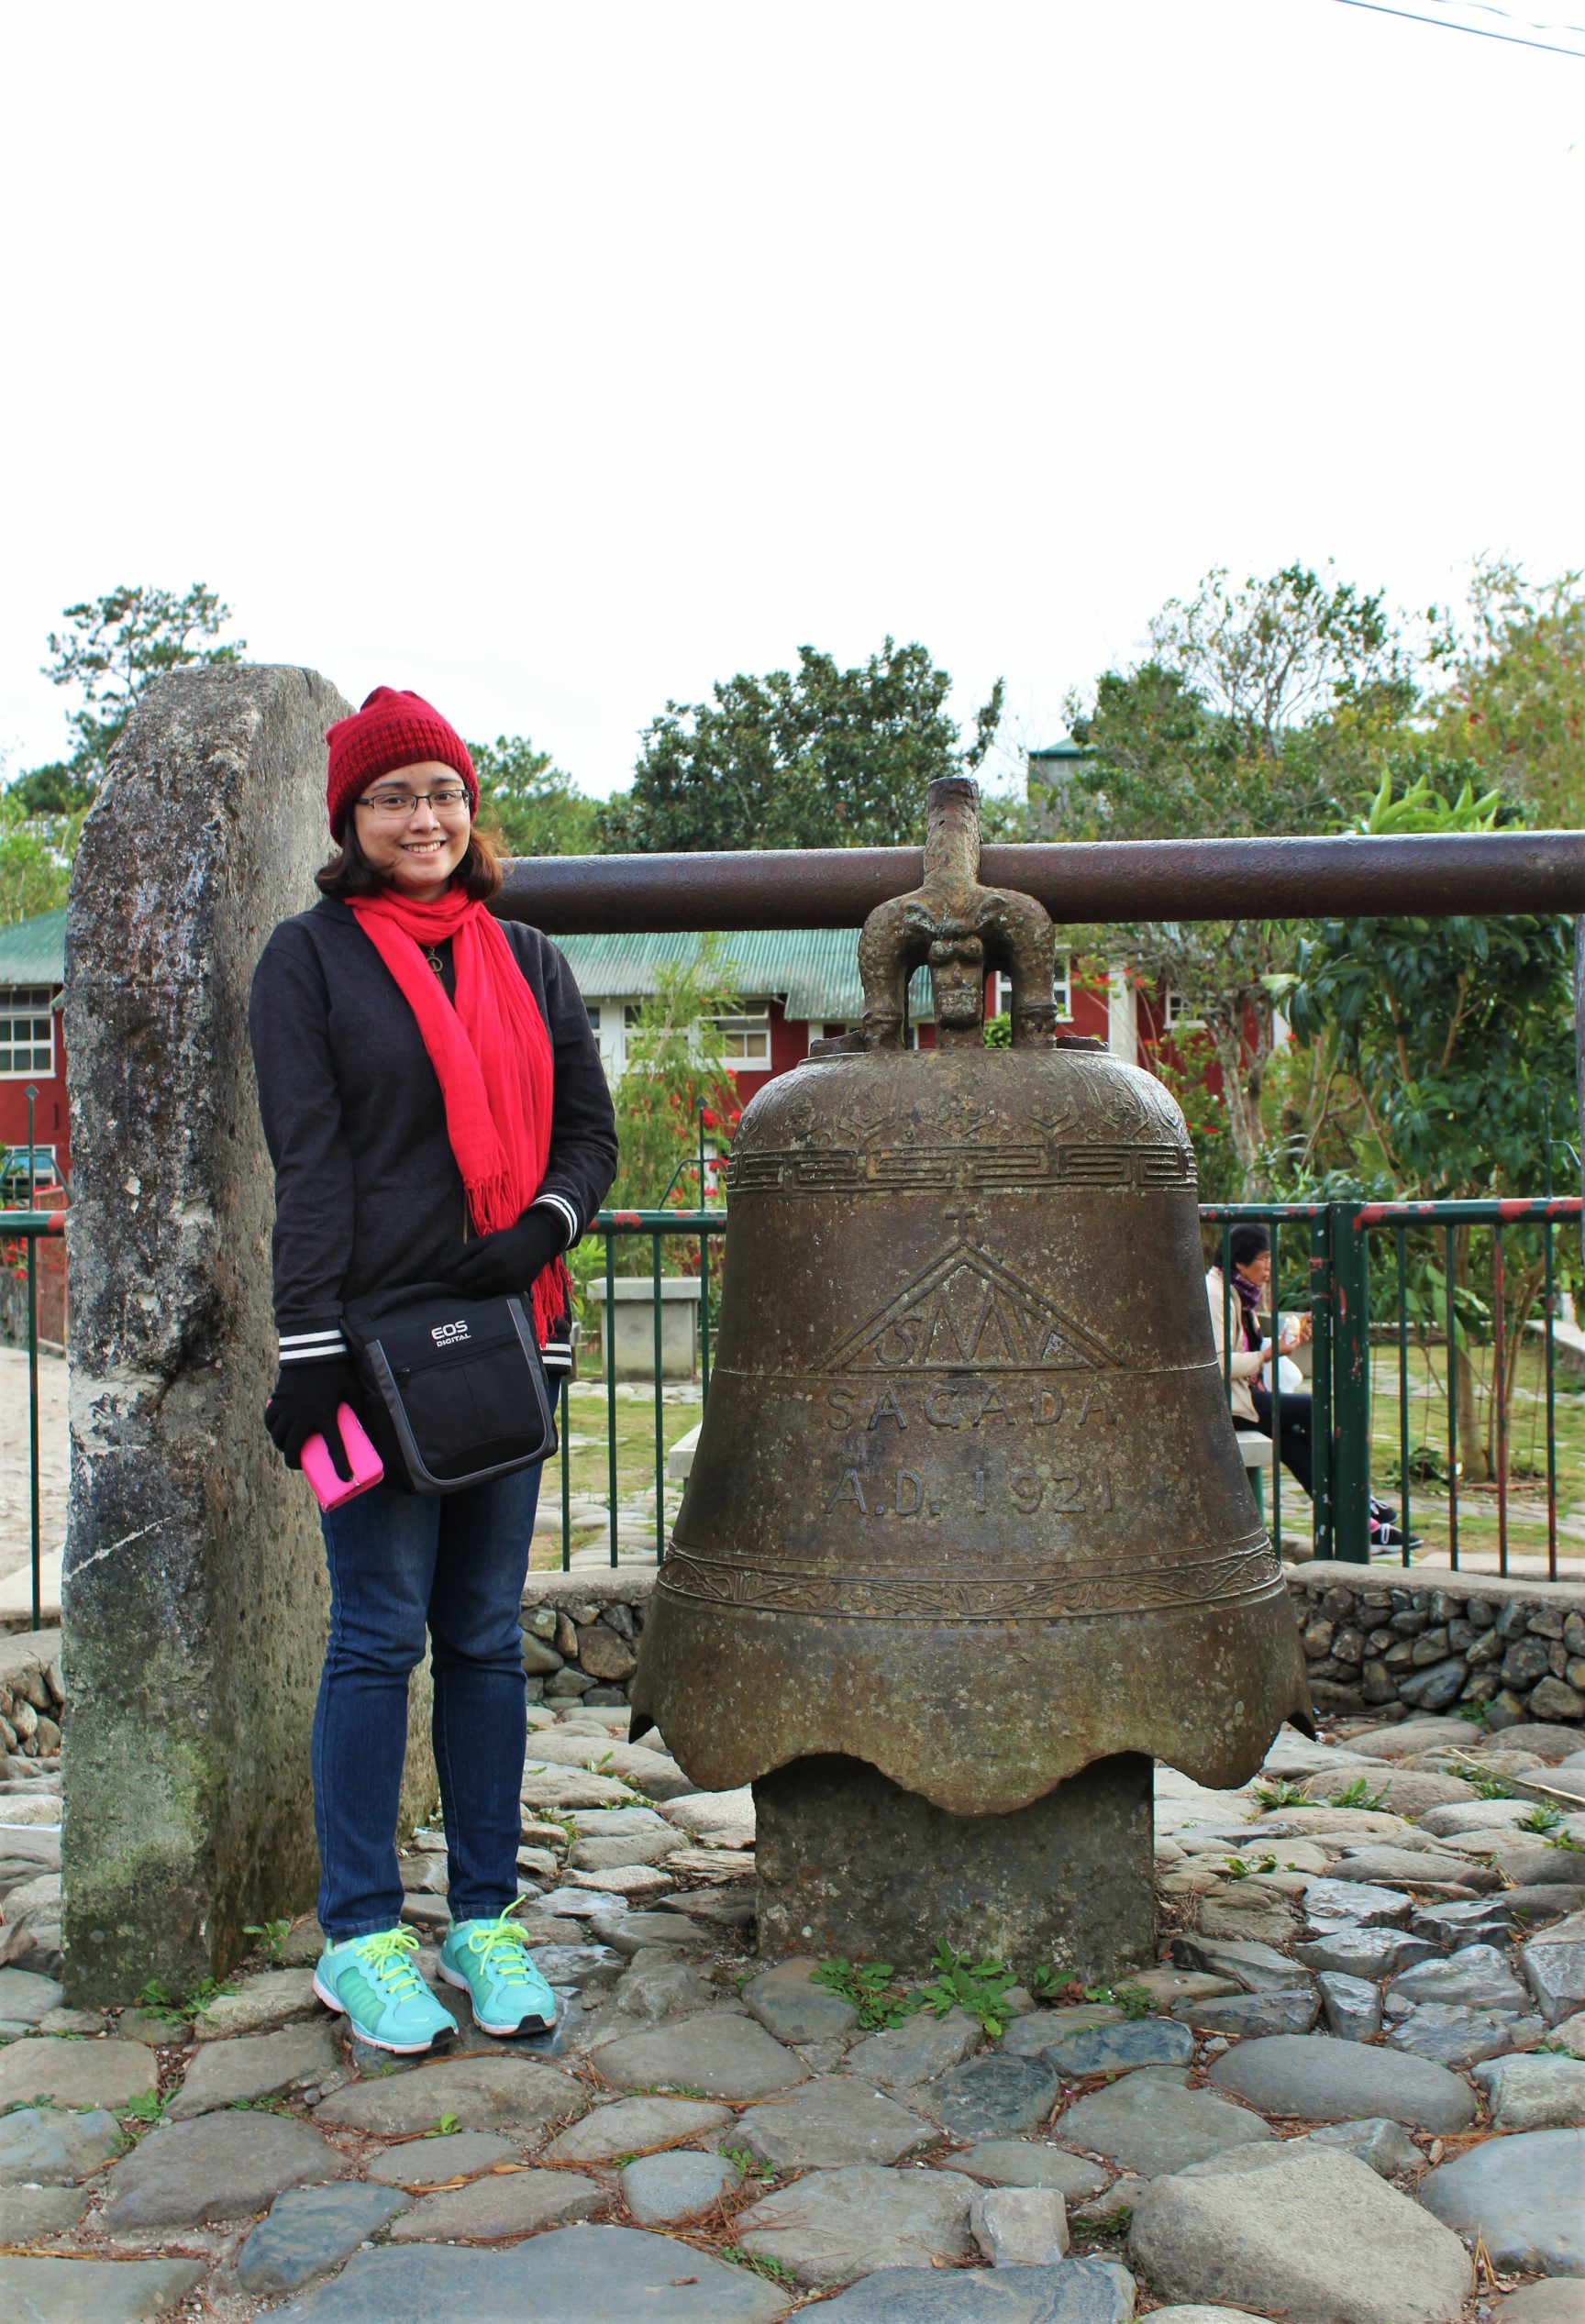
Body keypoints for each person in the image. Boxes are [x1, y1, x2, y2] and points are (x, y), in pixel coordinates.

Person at [249, 686, 617, 2055]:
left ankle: (483, 1915)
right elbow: (313, 1163)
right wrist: (308, 1355)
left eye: (445, 792)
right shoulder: (311, 959)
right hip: (365, 1352)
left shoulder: (528, 958)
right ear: (351, 818)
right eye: (395, 795)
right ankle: (361, 1936)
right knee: (373, 1632)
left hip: (506, 1338)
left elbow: (588, 1133)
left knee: (479, 1638)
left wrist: (540, 1229)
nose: (425, 817)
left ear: (474, 809)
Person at [1206, 1223, 1314, 1496]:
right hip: (1222, 1404)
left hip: (1240, 1395)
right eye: (1264, 1260)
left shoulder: (1239, 1293)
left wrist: (1289, 1338)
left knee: (1290, 1439)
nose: (1269, 1269)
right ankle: (1358, 1503)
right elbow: (1218, 1363)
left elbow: (1248, 1347)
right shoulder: (1216, 1295)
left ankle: (1356, 1512)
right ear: (1240, 1262)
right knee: (1313, 1407)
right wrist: (1268, 1354)